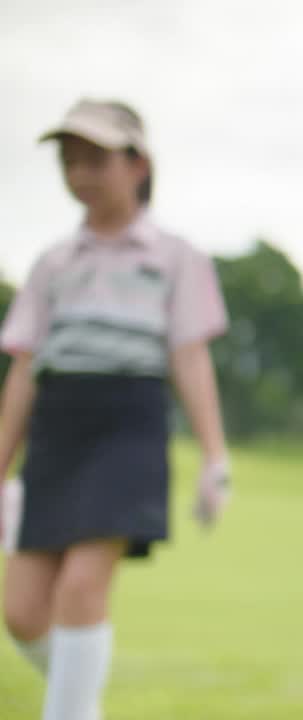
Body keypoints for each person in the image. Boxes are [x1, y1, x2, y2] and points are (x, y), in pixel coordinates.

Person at [0, 99, 232, 720]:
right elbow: (24, 367)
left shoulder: (176, 257)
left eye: (95, 158)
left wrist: (215, 457)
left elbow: (189, 359)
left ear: (138, 165)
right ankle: (78, 706)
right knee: (21, 612)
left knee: (80, 588)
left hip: (127, 425)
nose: (79, 172)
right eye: (69, 160)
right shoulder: (51, 263)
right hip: (56, 427)